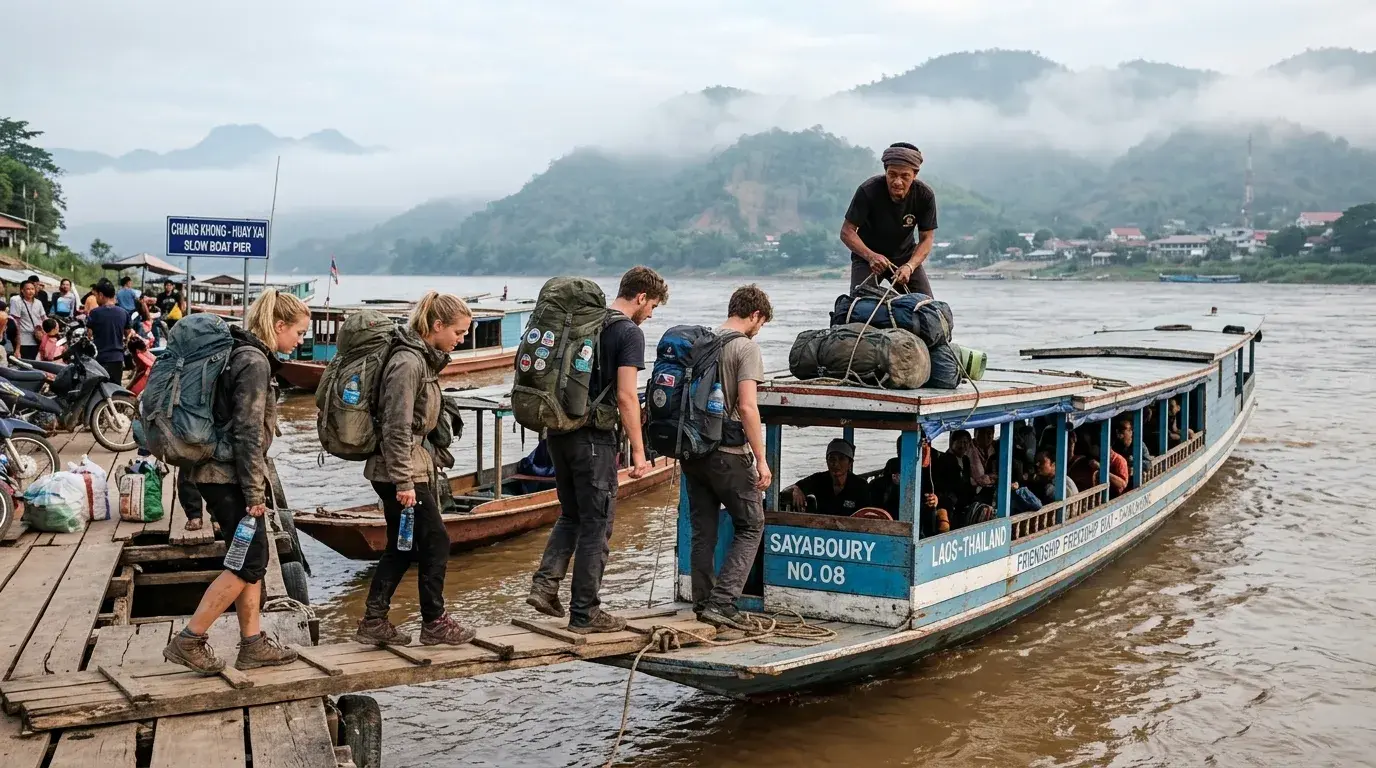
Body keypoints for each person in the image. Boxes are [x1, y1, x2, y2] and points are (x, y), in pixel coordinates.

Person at [162, 288, 310, 674]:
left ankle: (253, 642)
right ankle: (190, 639)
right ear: (279, 325)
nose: (300, 341)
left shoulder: (239, 353)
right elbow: (248, 432)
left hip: (218, 472)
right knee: (250, 562)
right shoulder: (254, 361)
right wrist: (254, 491)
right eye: (298, 333)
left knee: (249, 559)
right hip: (227, 476)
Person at [527, 266, 668, 634]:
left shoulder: (585, 324)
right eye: (651, 306)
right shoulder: (627, 332)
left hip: (558, 432)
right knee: (597, 525)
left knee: (572, 514)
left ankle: (544, 586)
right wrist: (639, 452)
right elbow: (626, 396)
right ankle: (585, 613)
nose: (650, 314)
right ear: (640, 297)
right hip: (592, 439)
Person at [355, 292, 477, 646]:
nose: (462, 339)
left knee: (403, 546)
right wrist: (403, 482)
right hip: (400, 470)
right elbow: (396, 425)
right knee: (437, 540)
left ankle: (373, 621)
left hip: (405, 467)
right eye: (458, 332)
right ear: (436, 326)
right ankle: (434, 622)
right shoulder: (408, 363)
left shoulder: (422, 360)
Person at [682, 285, 772, 630]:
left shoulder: (701, 342)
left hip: (693, 452)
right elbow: (748, 406)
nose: (758, 329)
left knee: (703, 529)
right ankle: (723, 602)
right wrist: (761, 459)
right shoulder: (745, 347)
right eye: (760, 324)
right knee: (751, 524)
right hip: (728, 453)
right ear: (755, 316)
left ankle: (702, 603)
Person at [840, 142, 938, 295]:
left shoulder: (924, 195)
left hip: (906, 258)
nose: (897, 182)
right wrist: (870, 256)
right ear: (885, 172)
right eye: (892, 174)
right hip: (868, 258)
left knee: (925, 308)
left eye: (905, 176)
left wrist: (910, 266)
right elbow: (847, 231)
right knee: (859, 306)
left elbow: (927, 239)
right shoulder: (868, 190)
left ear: (915, 175)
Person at [783, 438, 872, 517]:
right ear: (827, 461)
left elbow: (867, 515)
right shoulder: (819, 479)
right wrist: (797, 489)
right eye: (832, 459)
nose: (836, 464)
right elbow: (793, 487)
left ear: (850, 463)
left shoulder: (860, 485)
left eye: (841, 459)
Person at [87, 280, 132, 383]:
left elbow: (89, 335)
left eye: (96, 295)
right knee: (115, 389)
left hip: (100, 358)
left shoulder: (94, 313)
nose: (96, 298)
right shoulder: (124, 313)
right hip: (117, 359)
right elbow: (127, 334)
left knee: (99, 391)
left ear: (101, 295)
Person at [9, 280, 47, 359]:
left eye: (32, 289)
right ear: (22, 290)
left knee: (35, 364)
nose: (31, 291)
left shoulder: (38, 303)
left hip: (37, 339)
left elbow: (44, 318)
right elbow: (16, 323)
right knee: (25, 363)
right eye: (28, 289)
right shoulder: (17, 301)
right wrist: (18, 347)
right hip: (23, 340)